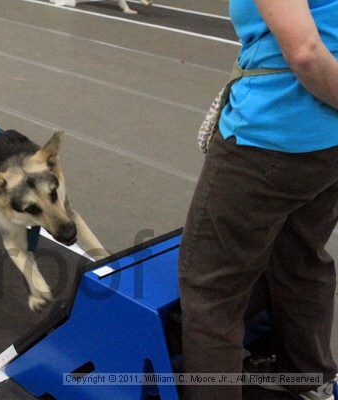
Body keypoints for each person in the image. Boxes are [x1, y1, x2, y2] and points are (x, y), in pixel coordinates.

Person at [178, 0, 338, 399]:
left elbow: (305, 53)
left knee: (212, 293)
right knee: (301, 257)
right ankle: (307, 379)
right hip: (330, 142)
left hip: (269, 137)